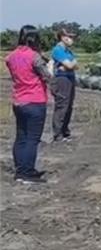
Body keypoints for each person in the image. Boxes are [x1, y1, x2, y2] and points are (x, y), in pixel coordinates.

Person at [6, 25, 52, 184]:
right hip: (35, 100)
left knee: (21, 137)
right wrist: (49, 64)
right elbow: (47, 76)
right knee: (32, 139)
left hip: (19, 100)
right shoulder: (34, 57)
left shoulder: (11, 56)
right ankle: (27, 173)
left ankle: (21, 169)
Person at [50, 27, 78, 142]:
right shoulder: (58, 50)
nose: (72, 40)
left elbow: (74, 65)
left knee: (69, 106)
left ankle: (65, 131)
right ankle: (58, 134)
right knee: (62, 106)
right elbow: (71, 65)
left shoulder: (68, 51)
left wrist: (71, 64)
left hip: (70, 78)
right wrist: (72, 64)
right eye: (70, 37)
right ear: (63, 37)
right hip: (62, 80)